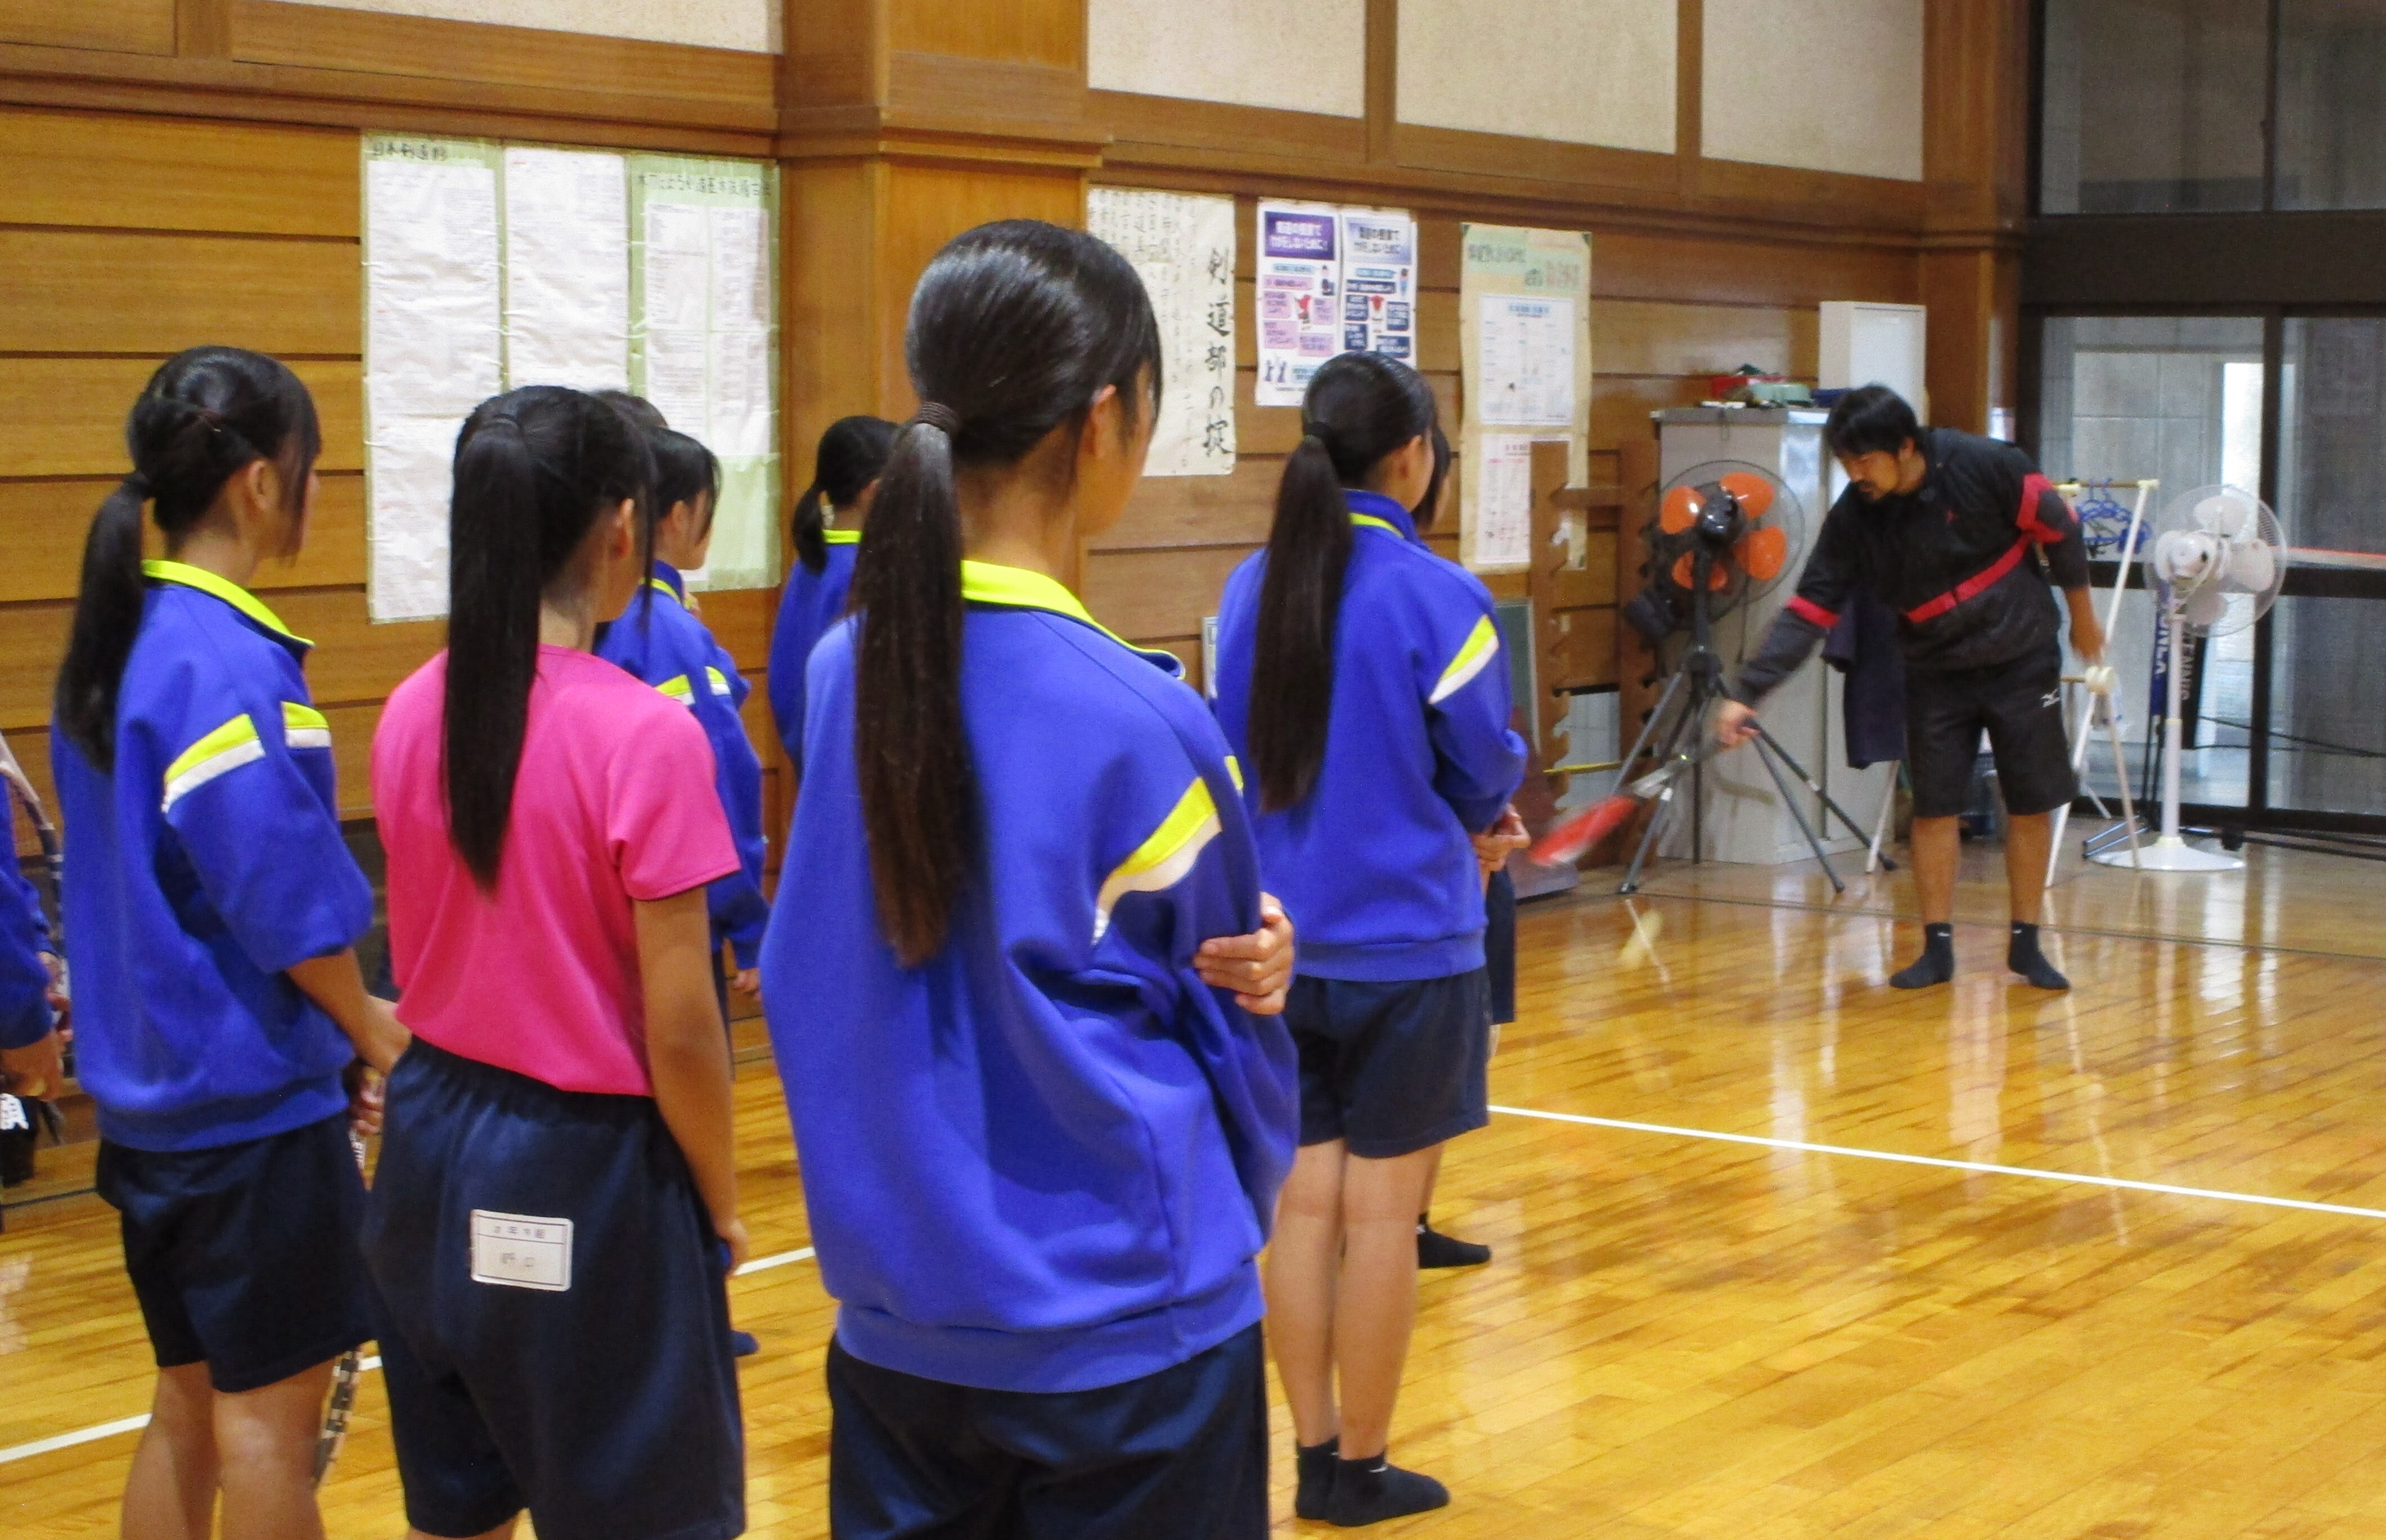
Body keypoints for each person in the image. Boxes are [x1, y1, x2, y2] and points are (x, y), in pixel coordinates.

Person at [762, 219, 1299, 1540]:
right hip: (1126, 1342)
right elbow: (1226, 1013)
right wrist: (1265, 983)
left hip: (899, 1328)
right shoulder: (1142, 714)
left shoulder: (846, 671)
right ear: (1104, 417)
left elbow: (815, 967)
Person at [366, 385, 747, 1540]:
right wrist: (719, 1205)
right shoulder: (645, 733)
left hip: (427, 1151)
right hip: (582, 1168)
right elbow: (682, 1029)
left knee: (460, 1512)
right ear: (622, 527)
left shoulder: (409, 708)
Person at [47, 346, 406, 1540]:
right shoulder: (223, 661)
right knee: (266, 1432)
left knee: (188, 1409)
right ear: (261, 483)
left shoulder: (119, 642)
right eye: (309, 470)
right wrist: (370, 1024)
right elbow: (282, 897)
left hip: (151, 1121)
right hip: (243, 1125)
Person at [1212, 350, 1528, 1526]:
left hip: (1278, 948)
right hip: (1410, 955)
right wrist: (1479, 821)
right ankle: (1360, 1466)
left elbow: (1228, 748)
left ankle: (1306, 1456)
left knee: (1299, 1214)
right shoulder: (1440, 596)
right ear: (1412, 458)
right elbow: (1482, 760)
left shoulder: (1252, 585)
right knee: (1381, 1221)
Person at [1714, 385, 2103, 991]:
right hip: (1931, 668)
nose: (1856, 475)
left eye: (1865, 461)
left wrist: (2083, 618)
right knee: (1933, 807)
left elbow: (2061, 530)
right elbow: (1811, 608)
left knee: (2029, 802)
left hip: (2018, 657)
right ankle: (1935, 947)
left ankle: (2026, 943)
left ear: (1903, 446)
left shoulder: (1988, 466)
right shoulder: (1854, 519)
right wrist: (1749, 690)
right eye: (1845, 464)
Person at [595, 426, 770, 1003]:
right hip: (674, 918)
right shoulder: (666, 631)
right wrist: (747, 924)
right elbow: (723, 779)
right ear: (673, 518)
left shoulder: (597, 613)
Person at [767, 415, 896, 770]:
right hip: (849, 772)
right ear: (873, 492)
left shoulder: (811, 560)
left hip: (812, 761)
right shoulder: (870, 574)